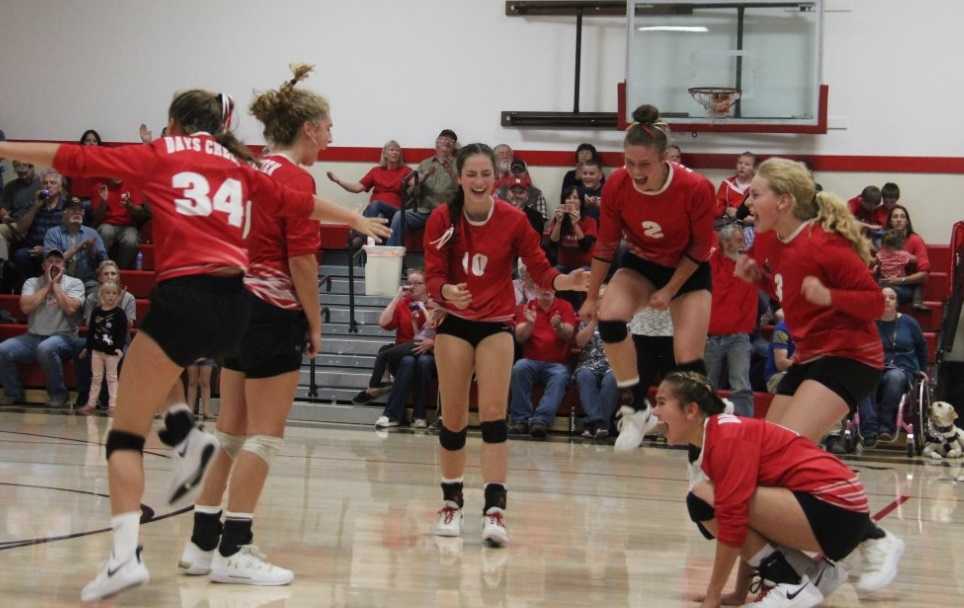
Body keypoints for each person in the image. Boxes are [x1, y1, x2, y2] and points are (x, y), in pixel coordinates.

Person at [0, 84, 390, 602]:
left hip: (205, 298)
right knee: (168, 375)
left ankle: (141, 547)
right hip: (233, 305)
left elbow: (75, 157)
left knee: (129, 431)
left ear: (175, 122)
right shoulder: (239, 165)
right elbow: (300, 204)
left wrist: (6, 148)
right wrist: (353, 218)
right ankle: (194, 471)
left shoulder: (170, 153)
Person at [174, 66, 389, 588]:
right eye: (330, 127)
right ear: (309, 128)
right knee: (264, 438)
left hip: (234, 307)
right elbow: (304, 265)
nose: (333, 136)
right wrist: (315, 324)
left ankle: (201, 543)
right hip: (272, 312)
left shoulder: (249, 168)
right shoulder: (295, 176)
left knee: (229, 431)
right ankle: (235, 548)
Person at [735, 157, 904, 598]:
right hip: (812, 357)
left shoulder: (825, 244)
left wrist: (829, 294)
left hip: (852, 357)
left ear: (784, 200)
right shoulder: (772, 242)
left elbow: (875, 303)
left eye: (756, 194)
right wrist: (757, 278)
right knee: (764, 468)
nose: (748, 201)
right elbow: (783, 286)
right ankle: (818, 563)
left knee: (784, 450)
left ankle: (874, 539)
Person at [422, 143, 587, 547]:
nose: (479, 181)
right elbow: (431, 276)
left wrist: (567, 282)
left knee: (494, 416)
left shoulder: (513, 220)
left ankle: (495, 510)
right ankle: (452, 503)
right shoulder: (443, 218)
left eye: (486, 174)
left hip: (496, 324)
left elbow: (541, 269)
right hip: (456, 324)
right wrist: (445, 291)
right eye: (472, 174)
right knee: (455, 417)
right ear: (459, 178)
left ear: (495, 179)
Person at [653, 371, 876, 608]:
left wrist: (712, 596)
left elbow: (734, 525)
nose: (655, 411)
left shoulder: (726, 439)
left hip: (836, 509)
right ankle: (811, 574)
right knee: (718, 501)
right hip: (843, 511)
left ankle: (789, 583)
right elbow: (747, 524)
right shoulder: (720, 432)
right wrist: (739, 594)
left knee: (703, 498)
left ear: (691, 411)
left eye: (661, 403)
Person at [581, 104, 715, 451]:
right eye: (629, 163)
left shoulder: (695, 187)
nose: (636, 172)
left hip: (687, 269)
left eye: (644, 165)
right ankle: (636, 406)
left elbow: (701, 247)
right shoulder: (617, 186)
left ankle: (702, 441)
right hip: (642, 263)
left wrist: (671, 290)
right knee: (609, 319)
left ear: (664, 159)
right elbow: (606, 244)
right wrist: (591, 296)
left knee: (688, 360)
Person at [0, 249, 85, 406]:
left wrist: (57, 286)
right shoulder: (32, 283)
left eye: (58, 261)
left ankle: (59, 395)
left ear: (64, 266)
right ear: (43, 265)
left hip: (64, 337)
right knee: (3, 350)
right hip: (33, 337)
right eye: (50, 261)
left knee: (46, 348)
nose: (54, 264)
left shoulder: (75, 283)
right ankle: (14, 393)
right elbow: (25, 308)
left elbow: (71, 309)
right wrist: (48, 285)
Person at [354, 269, 436, 429]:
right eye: (409, 283)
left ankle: (418, 415)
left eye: (418, 283)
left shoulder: (433, 304)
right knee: (408, 361)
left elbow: (438, 330)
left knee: (424, 361)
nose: (413, 287)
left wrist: (433, 343)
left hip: (430, 353)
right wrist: (397, 297)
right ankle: (393, 415)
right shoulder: (403, 303)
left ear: (426, 286)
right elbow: (383, 323)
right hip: (403, 353)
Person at [859, 287, 928, 446]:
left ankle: (885, 427)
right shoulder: (868, 322)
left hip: (902, 368)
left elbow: (922, 348)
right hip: (874, 366)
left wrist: (922, 370)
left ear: (897, 302)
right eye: (884, 297)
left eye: (892, 297)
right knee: (863, 378)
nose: (888, 300)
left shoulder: (909, 323)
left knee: (894, 378)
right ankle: (869, 429)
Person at [509, 287, 578, 438]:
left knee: (560, 376)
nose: (546, 289)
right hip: (531, 361)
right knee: (519, 367)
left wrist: (558, 326)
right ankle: (520, 420)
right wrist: (529, 323)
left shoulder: (565, 306)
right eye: (542, 285)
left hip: (557, 363)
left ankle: (541, 421)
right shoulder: (526, 307)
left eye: (550, 286)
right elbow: (520, 337)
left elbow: (569, 335)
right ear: (535, 288)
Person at [705, 223, 757, 417]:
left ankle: (745, 426)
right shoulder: (711, 263)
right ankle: (707, 426)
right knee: (708, 386)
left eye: (742, 238)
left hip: (738, 336)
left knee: (741, 385)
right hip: (711, 336)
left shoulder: (748, 265)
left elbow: (751, 300)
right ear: (725, 242)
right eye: (738, 239)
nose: (742, 242)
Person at [75, 260, 137, 410]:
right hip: (98, 340)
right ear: (99, 278)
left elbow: (129, 326)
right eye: (106, 274)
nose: (110, 277)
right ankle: (86, 398)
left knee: (125, 359)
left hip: (119, 342)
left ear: (118, 277)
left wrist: (117, 305)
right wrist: (104, 305)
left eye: (113, 273)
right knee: (81, 352)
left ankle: (113, 401)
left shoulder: (128, 298)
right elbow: (90, 325)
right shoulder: (92, 298)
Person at [387, 129, 459, 246]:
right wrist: (423, 179)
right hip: (424, 211)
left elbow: (462, 189)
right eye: (442, 138)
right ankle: (392, 258)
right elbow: (412, 192)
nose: (446, 141)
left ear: (453, 146)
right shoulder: (425, 163)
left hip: (446, 212)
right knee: (400, 216)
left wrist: (451, 172)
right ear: (436, 143)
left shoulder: (458, 164)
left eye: (450, 140)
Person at [327, 140, 412, 223]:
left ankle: (363, 235)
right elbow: (357, 188)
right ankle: (364, 235)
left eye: (397, 150)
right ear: (385, 154)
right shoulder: (375, 171)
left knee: (375, 205)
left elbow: (415, 183)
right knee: (374, 212)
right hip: (375, 211)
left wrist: (421, 178)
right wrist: (338, 181)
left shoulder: (406, 171)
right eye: (392, 150)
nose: (395, 152)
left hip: (395, 211)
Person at [78, 281, 127, 415]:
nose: (111, 296)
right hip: (96, 351)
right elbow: (91, 332)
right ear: (101, 295)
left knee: (112, 378)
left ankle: (113, 405)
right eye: (107, 293)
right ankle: (91, 403)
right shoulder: (96, 312)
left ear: (118, 296)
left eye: (114, 293)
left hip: (112, 353)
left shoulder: (120, 313)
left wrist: (119, 348)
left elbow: (122, 333)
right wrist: (87, 348)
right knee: (96, 378)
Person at [12, 169, 67, 282]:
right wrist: (36, 207)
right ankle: (30, 288)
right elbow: (20, 228)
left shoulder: (66, 207)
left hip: (56, 249)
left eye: (53, 183)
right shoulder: (34, 204)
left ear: (60, 188)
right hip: (32, 247)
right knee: (20, 255)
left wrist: (46, 249)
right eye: (45, 183)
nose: (48, 186)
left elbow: (68, 236)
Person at [43, 197, 107, 291]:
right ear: (63, 212)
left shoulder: (92, 233)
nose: (77, 213)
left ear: (84, 213)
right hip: (60, 280)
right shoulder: (53, 233)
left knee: (97, 295)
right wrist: (78, 248)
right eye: (72, 210)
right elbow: (52, 264)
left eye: (80, 210)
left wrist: (93, 251)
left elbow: (104, 261)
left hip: (87, 282)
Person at [93, 179, 148, 269]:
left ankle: (121, 270)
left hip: (128, 226)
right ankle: (103, 268)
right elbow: (96, 219)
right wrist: (103, 202)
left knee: (131, 239)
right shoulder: (100, 187)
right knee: (106, 232)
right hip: (107, 224)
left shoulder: (132, 185)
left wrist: (130, 206)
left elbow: (142, 213)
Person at [884, 204, 929, 309]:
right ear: (890, 221)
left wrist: (900, 280)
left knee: (886, 291)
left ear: (907, 221)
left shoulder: (915, 240)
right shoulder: (885, 240)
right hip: (887, 282)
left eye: (902, 217)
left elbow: (924, 274)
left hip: (906, 287)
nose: (899, 220)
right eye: (895, 217)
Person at [545, 186, 596, 272]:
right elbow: (552, 245)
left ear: (581, 202)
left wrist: (575, 224)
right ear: (564, 201)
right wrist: (558, 222)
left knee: (577, 276)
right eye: (568, 198)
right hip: (563, 265)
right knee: (550, 276)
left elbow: (585, 246)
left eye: (575, 198)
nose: (571, 201)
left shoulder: (590, 221)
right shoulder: (558, 219)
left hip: (584, 266)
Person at [875, 229, 922, 306]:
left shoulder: (880, 254)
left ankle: (892, 302)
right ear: (899, 244)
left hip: (883, 284)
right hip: (899, 285)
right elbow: (916, 259)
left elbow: (876, 262)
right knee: (918, 281)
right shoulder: (902, 254)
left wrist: (877, 265)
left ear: (883, 244)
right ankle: (917, 301)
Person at [715, 151, 755, 218]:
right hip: (728, 222)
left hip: (750, 223)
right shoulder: (727, 184)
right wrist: (726, 210)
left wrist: (754, 218)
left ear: (753, 168)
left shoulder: (758, 186)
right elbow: (717, 208)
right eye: (740, 163)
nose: (742, 166)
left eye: (747, 164)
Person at [764, 316, 795, 394]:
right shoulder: (782, 329)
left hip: (800, 371)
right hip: (777, 376)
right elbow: (781, 364)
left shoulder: (814, 328)